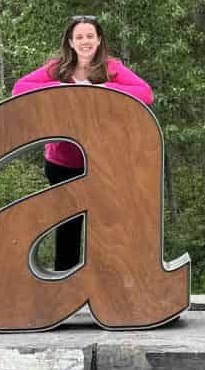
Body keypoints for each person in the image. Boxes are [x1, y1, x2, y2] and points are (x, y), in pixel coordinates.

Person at [12, 15, 154, 271]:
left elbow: (145, 93)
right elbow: (19, 88)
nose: (85, 41)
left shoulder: (112, 69)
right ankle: (64, 286)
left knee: (107, 226)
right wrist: (62, 89)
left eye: (90, 36)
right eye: (79, 37)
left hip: (104, 163)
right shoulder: (58, 69)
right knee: (67, 226)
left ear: (99, 40)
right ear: (71, 42)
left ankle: (106, 284)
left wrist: (102, 91)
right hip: (62, 162)